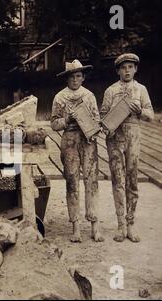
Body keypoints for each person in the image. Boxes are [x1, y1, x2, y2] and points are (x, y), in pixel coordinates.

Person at [101, 53, 154, 243]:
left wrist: (139, 110)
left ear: (136, 69)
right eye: (123, 68)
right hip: (115, 138)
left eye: (130, 67)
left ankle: (130, 224)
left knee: (132, 180)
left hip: (133, 136)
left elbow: (151, 115)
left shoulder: (141, 90)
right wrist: (111, 122)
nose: (127, 71)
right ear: (118, 70)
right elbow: (103, 117)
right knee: (118, 180)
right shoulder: (111, 91)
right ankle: (120, 225)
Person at [51, 60, 104, 243]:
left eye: (79, 76)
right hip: (70, 141)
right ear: (67, 79)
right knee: (72, 181)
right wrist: (66, 119)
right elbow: (54, 124)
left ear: (83, 78)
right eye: (72, 76)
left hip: (88, 141)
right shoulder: (60, 97)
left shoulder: (89, 96)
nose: (75, 79)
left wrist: (92, 128)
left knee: (92, 180)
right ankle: (75, 227)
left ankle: (94, 226)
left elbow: (97, 120)